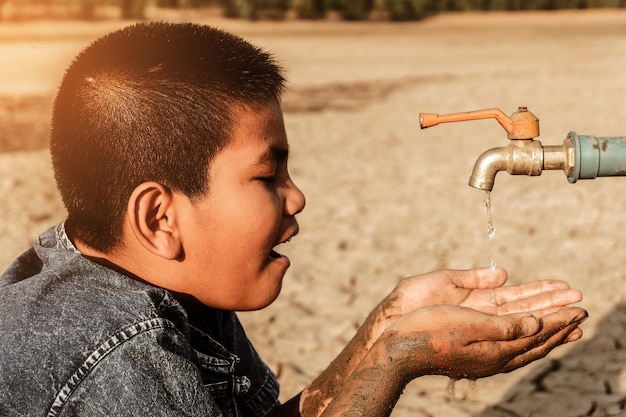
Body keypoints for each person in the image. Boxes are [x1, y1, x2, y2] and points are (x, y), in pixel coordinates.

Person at [0, 22, 586, 417]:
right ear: (159, 218)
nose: (297, 197)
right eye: (267, 175)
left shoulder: (162, 283)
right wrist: (395, 362)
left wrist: (383, 333)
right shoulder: (122, 359)